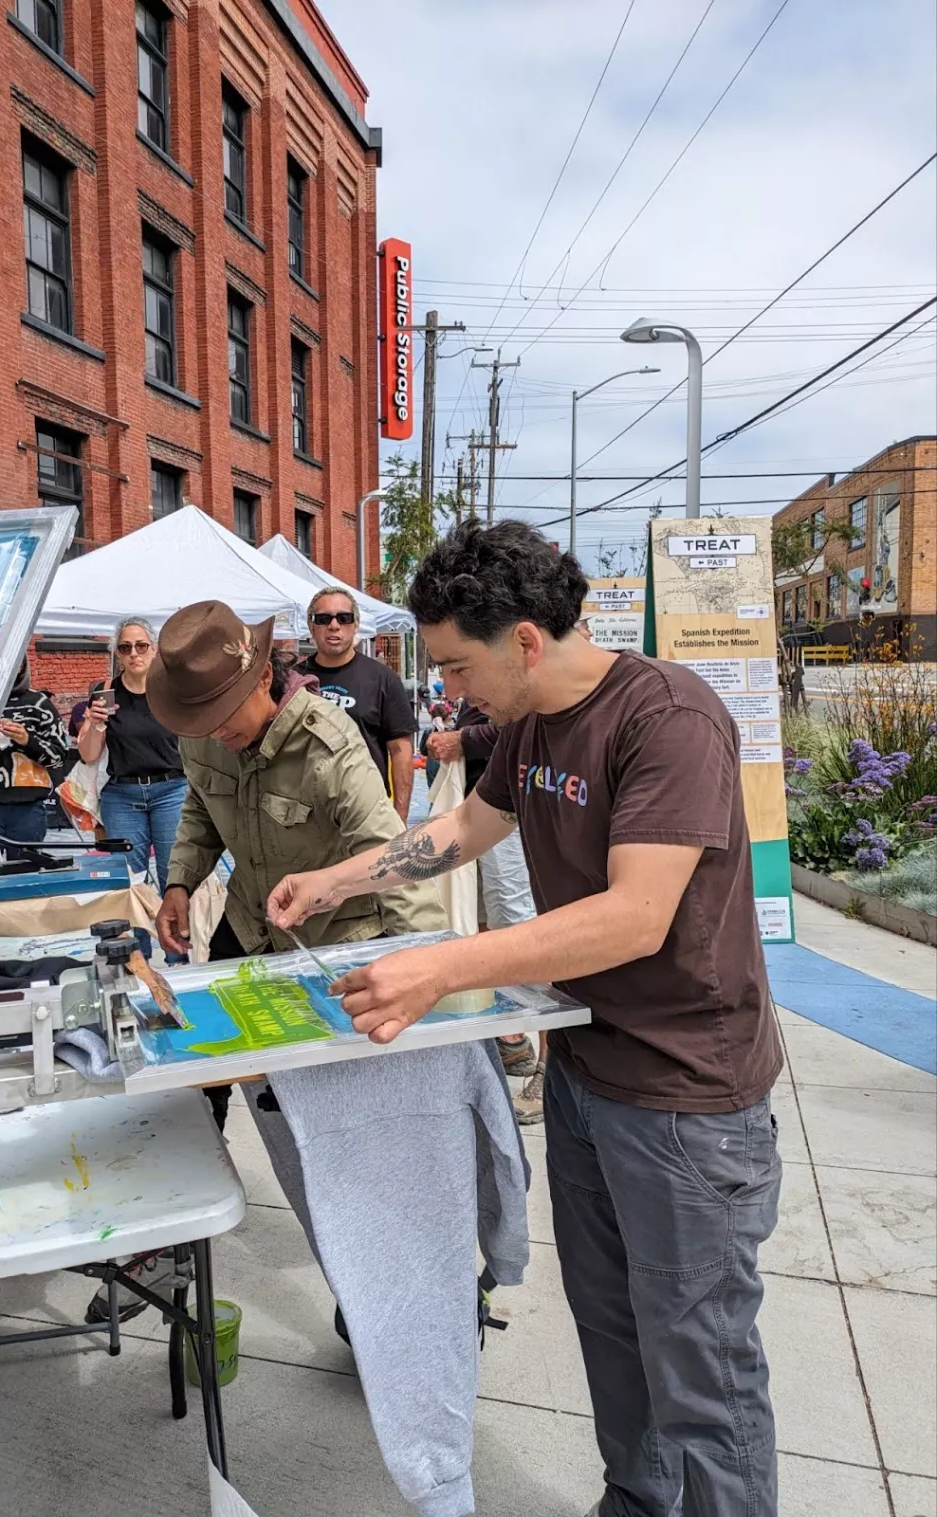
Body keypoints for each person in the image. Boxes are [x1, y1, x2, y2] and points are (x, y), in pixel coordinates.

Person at [269, 519, 784, 1517]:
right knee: (615, 1332)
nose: (453, 690)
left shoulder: (666, 716)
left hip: (688, 1092)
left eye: (460, 663)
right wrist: (337, 880)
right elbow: (466, 826)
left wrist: (441, 966)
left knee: (703, 1371)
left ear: (526, 640)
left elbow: (637, 914)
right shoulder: (531, 724)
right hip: (590, 1072)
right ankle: (636, 1500)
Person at [149, 599, 445, 1135]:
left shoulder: (328, 744)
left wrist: (430, 966)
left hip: (333, 936)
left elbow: (391, 855)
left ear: (263, 678)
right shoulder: (200, 729)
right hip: (248, 923)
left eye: (222, 716)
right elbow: (201, 808)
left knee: (333, 1095)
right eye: (201, 723)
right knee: (204, 1063)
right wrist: (179, 882)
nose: (213, 734)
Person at [426, 701, 542, 1120]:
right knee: (477, 925)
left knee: (522, 931)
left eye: (459, 665)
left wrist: (464, 739)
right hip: (481, 809)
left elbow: (528, 722)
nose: (453, 683)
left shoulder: (530, 678)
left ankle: (551, 1061)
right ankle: (510, 1041)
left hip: (512, 817)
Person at [76, 616, 187, 893]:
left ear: (154, 648)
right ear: (117, 654)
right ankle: (137, 938)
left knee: (175, 877)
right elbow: (89, 755)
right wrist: (97, 724)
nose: (134, 653)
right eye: (125, 648)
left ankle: (177, 936)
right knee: (129, 882)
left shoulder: (172, 690)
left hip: (171, 790)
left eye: (141, 645)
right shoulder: (106, 694)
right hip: (122, 794)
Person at [299, 587, 416, 821]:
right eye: (323, 619)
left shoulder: (382, 679)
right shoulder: (294, 680)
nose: (334, 625)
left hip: (366, 810)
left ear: (355, 625)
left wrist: (399, 817)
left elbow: (400, 750)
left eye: (344, 618)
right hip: (307, 815)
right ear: (312, 626)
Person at [0, 658, 68, 871]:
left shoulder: (39, 704)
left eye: (15, 661)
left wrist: (26, 740)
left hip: (27, 806)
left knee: (25, 876)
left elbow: (58, 756)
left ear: (22, 665)